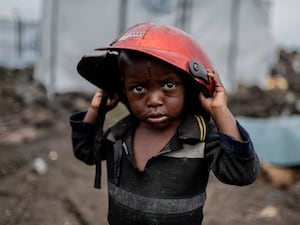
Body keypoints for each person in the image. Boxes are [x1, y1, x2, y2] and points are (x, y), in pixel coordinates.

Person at [70, 22, 259, 225]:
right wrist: (95, 110)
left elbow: (242, 173)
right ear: (124, 90)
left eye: (169, 85)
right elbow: (85, 151)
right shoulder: (119, 134)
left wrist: (219, 110)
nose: (153, 100)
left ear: (188, 88)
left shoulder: (200, 136)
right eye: (139, 88)